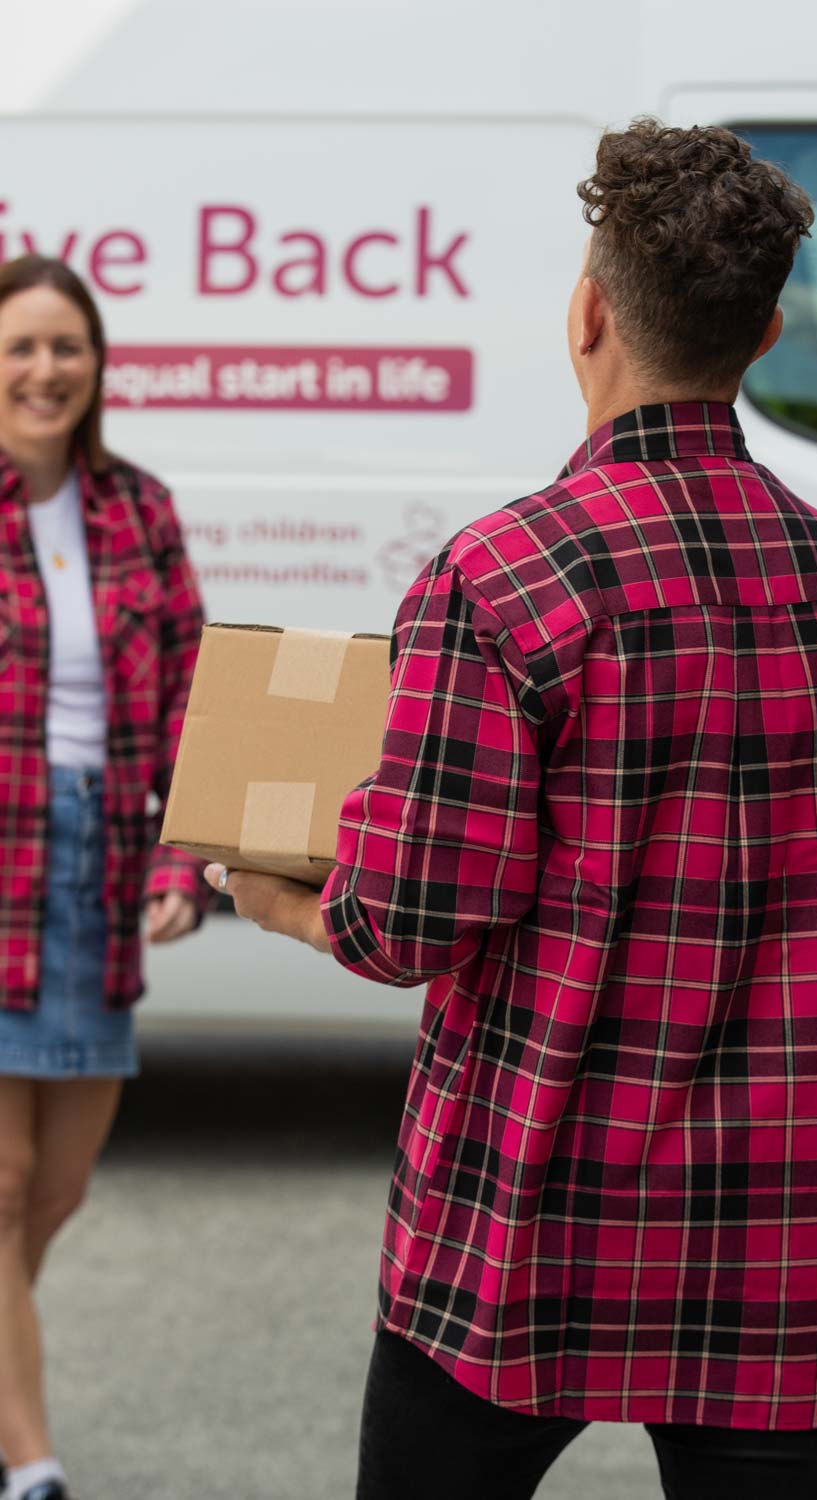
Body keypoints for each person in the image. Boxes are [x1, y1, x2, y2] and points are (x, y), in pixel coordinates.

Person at [210, 119, 817, 1500]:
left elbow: (411, 918)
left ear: (588, 313)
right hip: (776, 1237)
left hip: (531, 1216)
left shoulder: (506, 579)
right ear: (767, 336)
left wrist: (281, 902)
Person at [0, 255, 206, 1500]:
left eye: (66, 346)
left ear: (97, 365)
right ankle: (29, 1460)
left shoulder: (139, 510)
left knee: (61, 1188)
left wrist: (180, 856)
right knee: (3, 1182)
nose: (45, 369)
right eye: (20, 346)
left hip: (96, 868)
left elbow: (191, 703)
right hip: (0, 857)